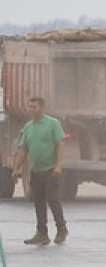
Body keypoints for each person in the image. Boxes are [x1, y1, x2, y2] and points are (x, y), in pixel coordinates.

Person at [13, 97, 68, 246]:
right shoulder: (28, 127)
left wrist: (59, 165)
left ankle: (62, 229)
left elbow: (60, 145)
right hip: (36, 171)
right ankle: (42, 234)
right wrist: (16, 167)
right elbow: (23, 149)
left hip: (51, 170)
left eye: (34, 107)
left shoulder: (53, 124)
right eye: (29, 107)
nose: (31, 109)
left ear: (42, 108)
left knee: (52, 199)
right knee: (38, 202)